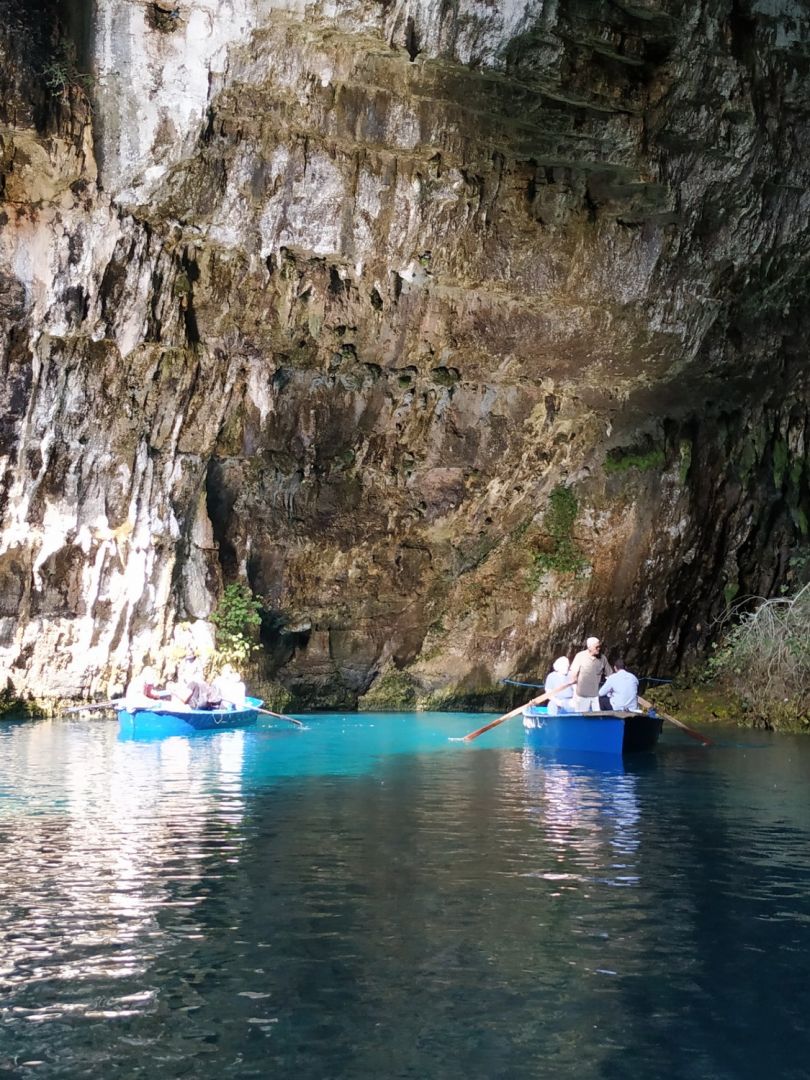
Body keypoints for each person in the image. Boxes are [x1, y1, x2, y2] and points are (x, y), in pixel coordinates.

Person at [560, 636, 613, 712]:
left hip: (596, 696)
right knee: (582, 716)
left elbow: (610, 675)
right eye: (596, 647)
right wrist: (575, 692)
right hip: (582, 696)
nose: (599, 648)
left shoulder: (602, 658)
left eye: (599, 646)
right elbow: (573, 674)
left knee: (597, 717)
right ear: (589, 647)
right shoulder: (580, 656)